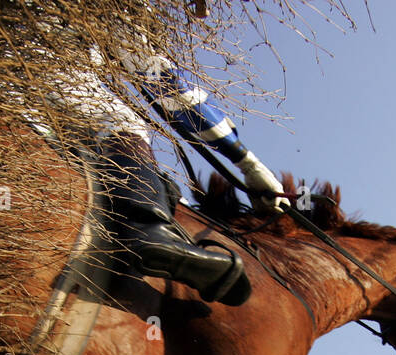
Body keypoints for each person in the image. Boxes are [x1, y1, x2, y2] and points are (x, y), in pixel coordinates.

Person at [53, 42, 290, 306]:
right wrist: (249, 164)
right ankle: (150, 233)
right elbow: (171, 89)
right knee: (121, 122)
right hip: (46, 68)